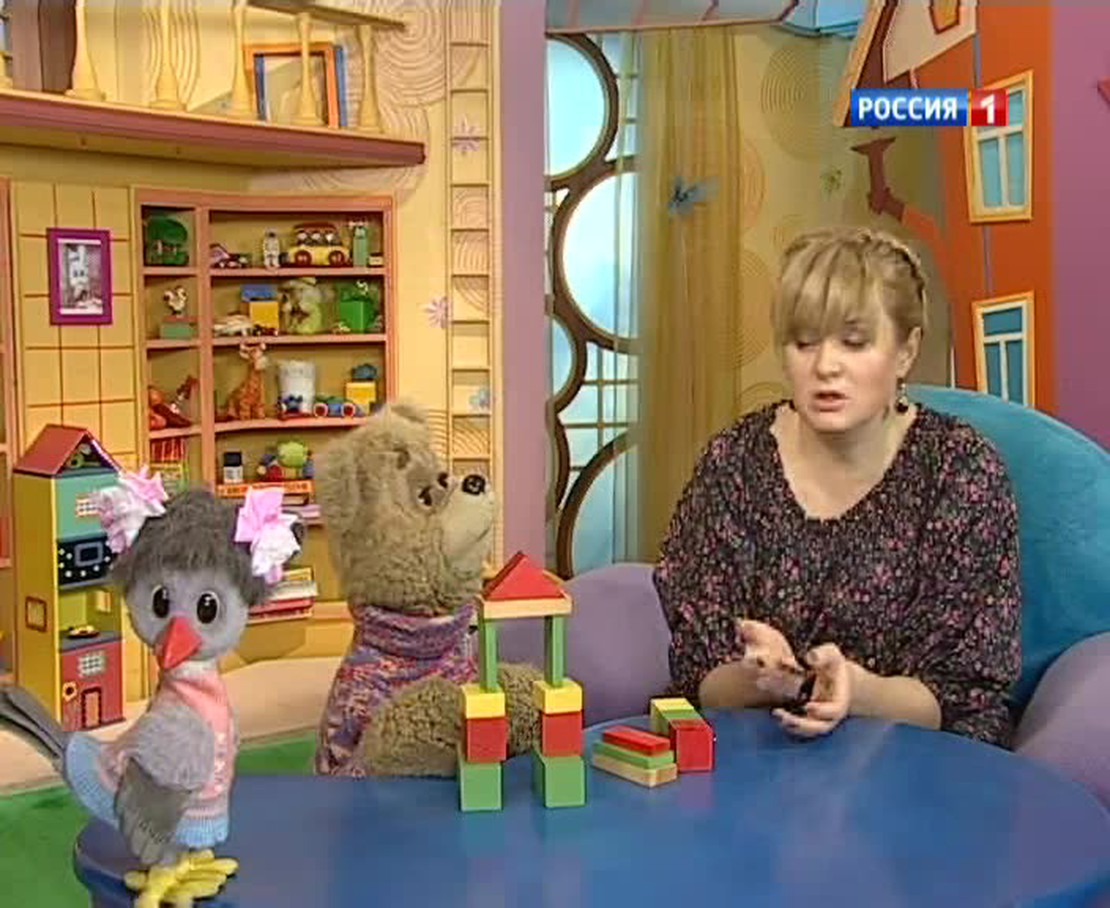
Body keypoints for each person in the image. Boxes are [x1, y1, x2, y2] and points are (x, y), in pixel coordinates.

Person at [653, 226, 1022, 748]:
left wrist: (855, 690)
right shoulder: (733, 462)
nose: (825, 366)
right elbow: (703, 681)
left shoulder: (960, 471)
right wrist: (764, 679)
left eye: (854, 342)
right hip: (753, 750)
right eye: (804, 342)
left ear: (906, 351)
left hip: (914, 755)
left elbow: (959, 697)